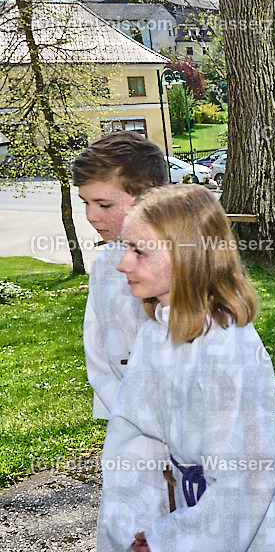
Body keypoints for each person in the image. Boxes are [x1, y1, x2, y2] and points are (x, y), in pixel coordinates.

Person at [95, 186, 275, 552]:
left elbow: (249, 476)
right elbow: (134, 436)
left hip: (248, 534)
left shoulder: (228, 347)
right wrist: (136, 519)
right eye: (125, 248)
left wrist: (181, 542)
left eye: (139, 250)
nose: (123, 264)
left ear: (189, 257)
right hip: (182, 508)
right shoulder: (156, 332)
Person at [72, 131, 167, 420]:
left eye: (104, 205)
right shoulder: (104, 265)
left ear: (147, 198)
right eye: (85, 203)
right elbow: (97, 350)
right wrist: (125, 418)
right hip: (130, 428)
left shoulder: (181, 261)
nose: (91, 215)